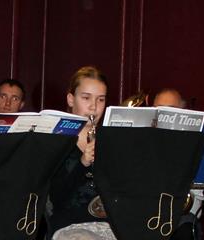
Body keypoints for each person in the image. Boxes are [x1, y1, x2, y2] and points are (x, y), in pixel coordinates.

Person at [49, 66, 114, 240]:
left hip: (110, 225)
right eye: (86, 98)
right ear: (71, 99)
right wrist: (83, 163)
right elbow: (57, 198)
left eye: (101, 100)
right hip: (71, 226)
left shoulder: (110, 140)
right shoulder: (57, 141)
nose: (94, 107)